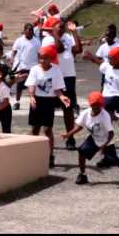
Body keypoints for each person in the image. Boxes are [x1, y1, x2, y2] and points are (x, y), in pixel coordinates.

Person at [25, 45, 71, 168]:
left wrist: (62, 97)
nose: (42, 61)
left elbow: (57, 89)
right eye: (40, 58)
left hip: (48, 102)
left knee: (47, 129)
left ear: (51, 58)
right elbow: (31, 85)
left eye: (45, 58)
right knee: (35, 129)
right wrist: (31, 97)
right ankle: (32, 154)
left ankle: (50, 155)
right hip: (37, 101)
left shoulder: (56, 70)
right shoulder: (35, 69)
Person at [61, 92, 119, 185]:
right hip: (94, 138)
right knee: (81, 152)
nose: (96, 107)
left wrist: (104, 146)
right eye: (94, 105)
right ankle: (82, 175)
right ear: (90, 104)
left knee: (117, 161)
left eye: (99, 105)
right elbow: (79, 126)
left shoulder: (105, 116)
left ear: (102, 105)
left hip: (107, 141)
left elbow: (111, 133)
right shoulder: (85, 113)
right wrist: (68, 134)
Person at [41, 20, 83, 150]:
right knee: (49, 109)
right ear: (53, 28)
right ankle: (49, 140)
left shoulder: (68, 37)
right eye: (59, 27)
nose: (62, 29)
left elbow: (78, 49)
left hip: (69, 76)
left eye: (63, 27)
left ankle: (70, 138)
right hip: (54, 76)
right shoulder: (48, 40)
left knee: (68, 109)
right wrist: (54, 35)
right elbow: (59, 48)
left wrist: (74, 32)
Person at [11, 23, 41, 110]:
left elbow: (39, 54)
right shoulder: (19, 40)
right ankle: (17, 102)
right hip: (22, 66)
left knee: (33, 86)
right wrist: (12, 59)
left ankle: (34, 101)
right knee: (19, 86)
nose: (29, 32)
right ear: (24, 31)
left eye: (31, 30)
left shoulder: (37, 41)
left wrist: (40, 64)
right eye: (28, 31)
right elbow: (14, 51)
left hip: (33, 67)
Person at [83, 24, 119, 88]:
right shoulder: (103, 46)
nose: (106, 37)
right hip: (105, 73)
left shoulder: (118, 46)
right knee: (104, 89)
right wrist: (89, 58)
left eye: (108, 36)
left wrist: (91, 56)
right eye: (106, 35)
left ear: (113, 36)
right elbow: (97, 58)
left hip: (117, 73)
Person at [99, 46, 119, 121]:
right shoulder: (107, 66)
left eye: (111, 58)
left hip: (115, 97)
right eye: (108, 58)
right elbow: (99, 64)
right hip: (106, 97)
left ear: (118, 59)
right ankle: (114, 117)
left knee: (106, 110)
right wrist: (91, 57)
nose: (109, 60)